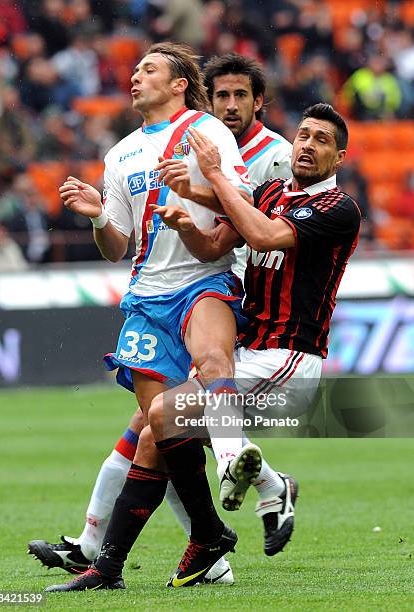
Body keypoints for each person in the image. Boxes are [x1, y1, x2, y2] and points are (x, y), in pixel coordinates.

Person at [28, 53, 293, 579]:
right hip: (148, 296)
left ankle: (235, 470)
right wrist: (98, 214)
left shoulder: (206, 130)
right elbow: (116, 246)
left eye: (149, 69)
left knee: (214, 359)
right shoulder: (120, 154)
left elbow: (239, 206)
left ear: (177, 84)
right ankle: (211, 539)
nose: (135, 75)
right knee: (163, 431)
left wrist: (198, 191)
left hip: (205, 279)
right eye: (135, 70)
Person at [143, 102, 360, 582]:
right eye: (303, 135)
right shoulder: (269, 192)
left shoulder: (337, 208)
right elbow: (219, 236)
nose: (308, 145)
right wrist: (187, 202)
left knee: (164, 419)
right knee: (156, 430)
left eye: (322, 140)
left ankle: (232, 510)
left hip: (286, 359)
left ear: (339, 158)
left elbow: (260, 235)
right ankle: (221, 538)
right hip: (249, 352)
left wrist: (215, 174)